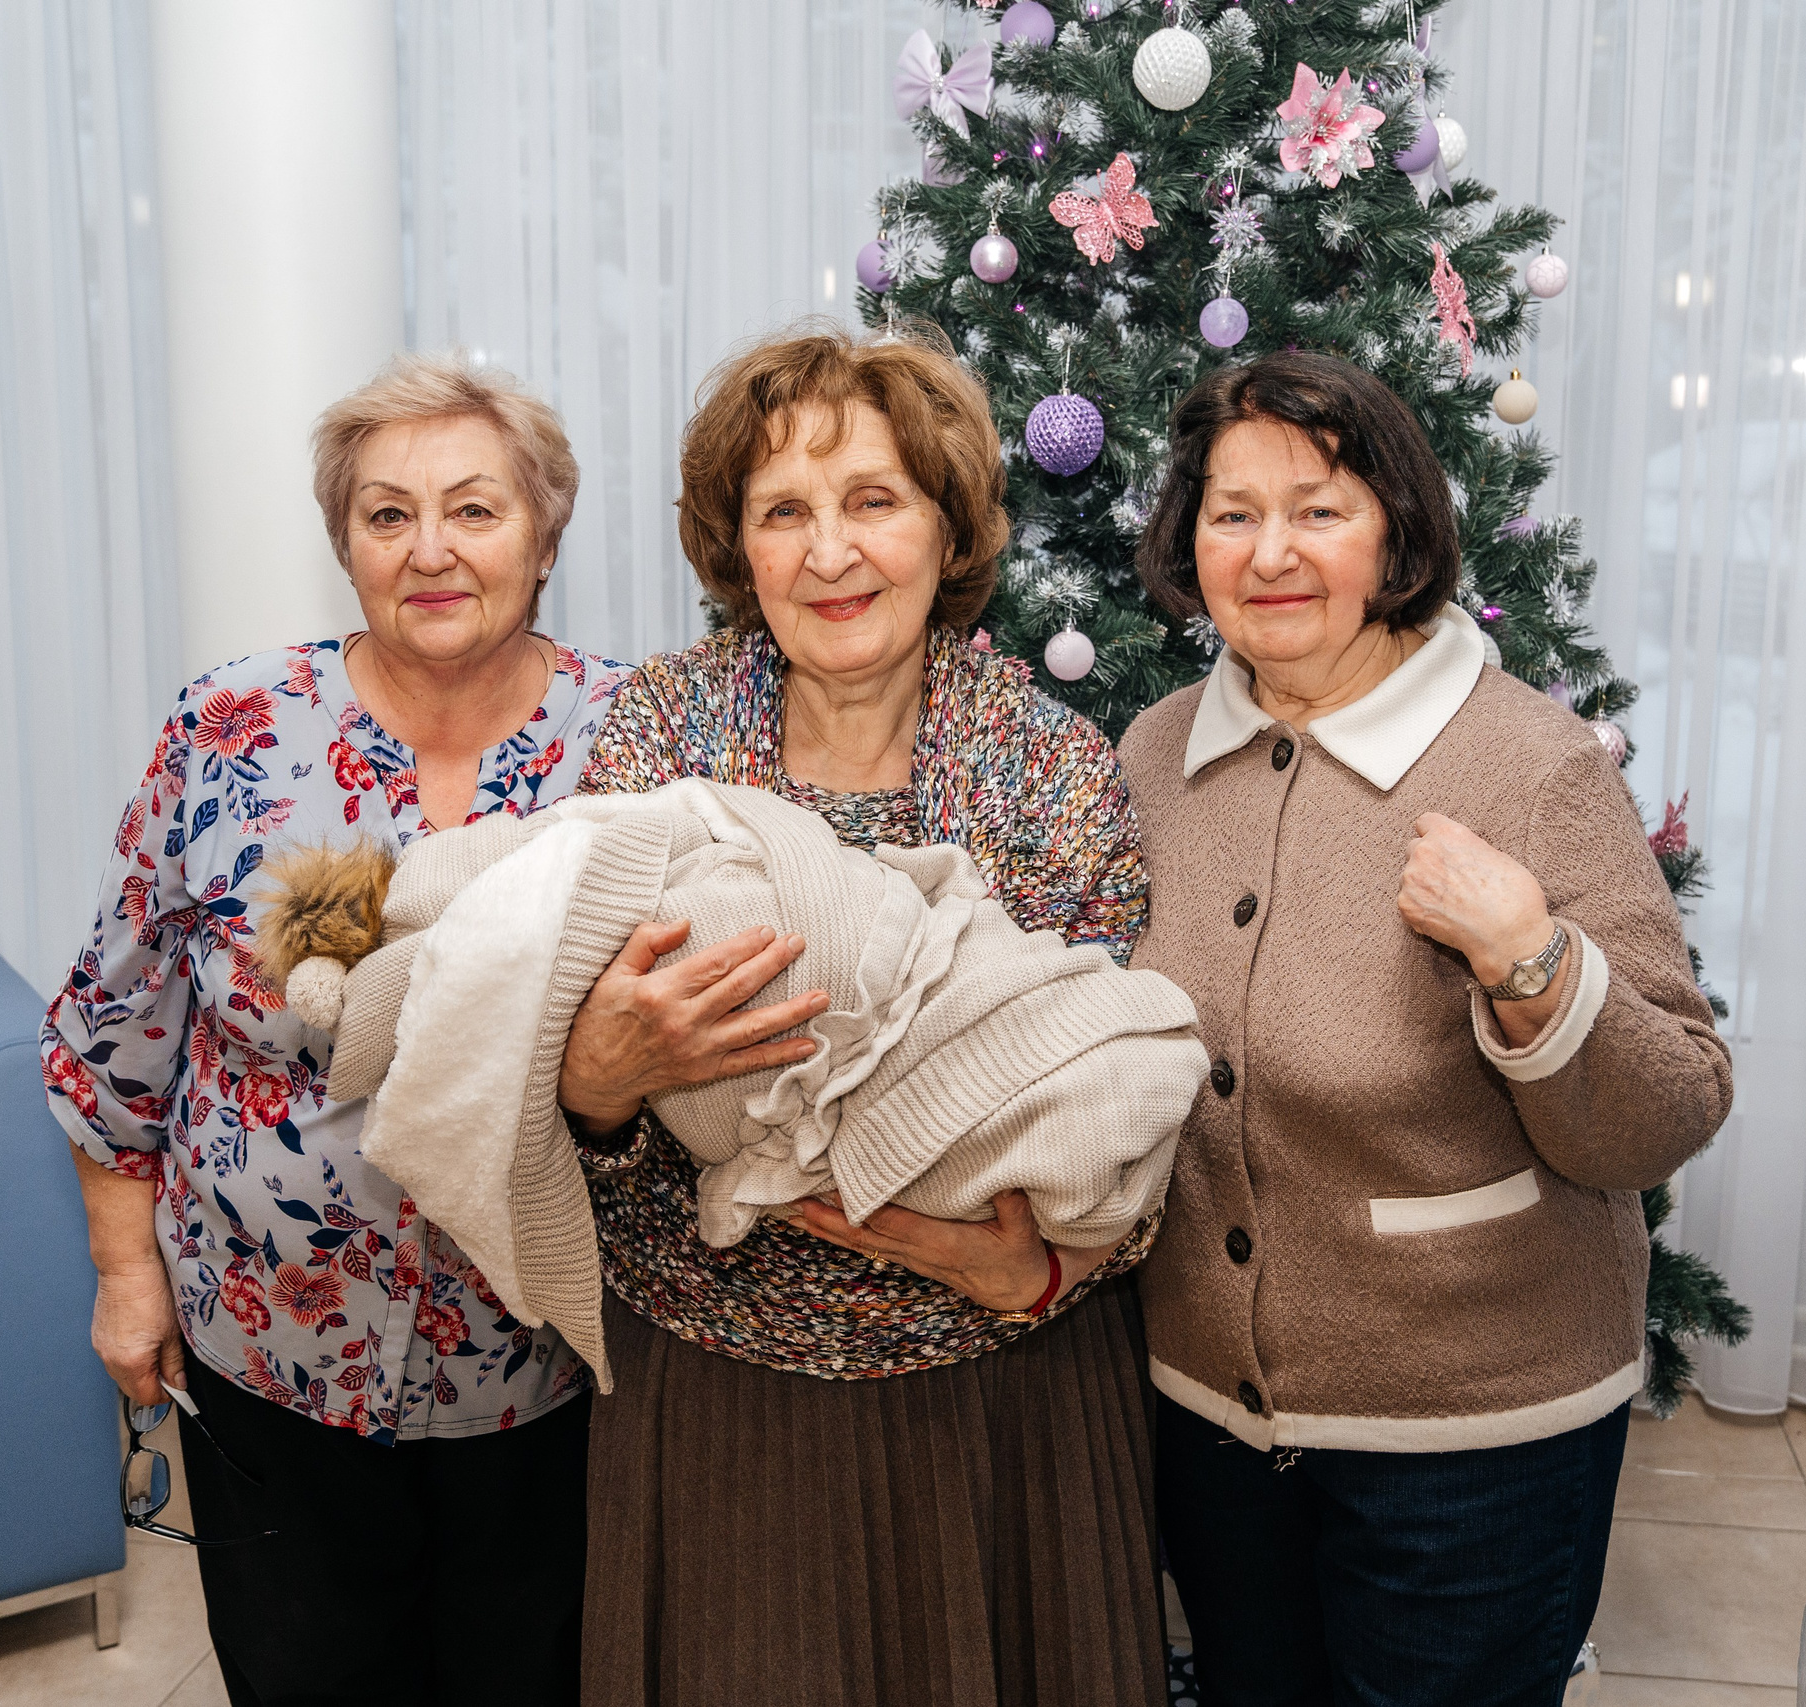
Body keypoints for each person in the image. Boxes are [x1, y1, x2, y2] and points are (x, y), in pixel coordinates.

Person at [549, 320, 1168, 1707]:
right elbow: (589, 1072)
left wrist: (1034, 1267)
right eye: (785, 512)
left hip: (999, 1400)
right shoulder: (660, 739)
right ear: (738, 549)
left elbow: (1117, 1094)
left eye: (872, 500)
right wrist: (595, 1087)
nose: (830, 553)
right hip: (717, 1395)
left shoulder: (1053, 769)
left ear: (948, 532)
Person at [1115, 350, 1735, 1707]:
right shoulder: (1155, 754)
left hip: (1472, 1449)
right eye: (1231, 513)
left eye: (1320, 510)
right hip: (1211, 1423)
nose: (1270, 551)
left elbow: (1668, 1110)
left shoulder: (1530, 764)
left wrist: (1532, 961)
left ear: (1397, 527)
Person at [43, 353, 630, 1707]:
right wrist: (127, 1277)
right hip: (273, 1353)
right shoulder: (229, 727)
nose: (430, 549)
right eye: (387, 514)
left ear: (544, 536)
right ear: (345, 544)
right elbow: (115, 1032)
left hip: (538, 1367)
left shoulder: (631, 736)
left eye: (475, 510)